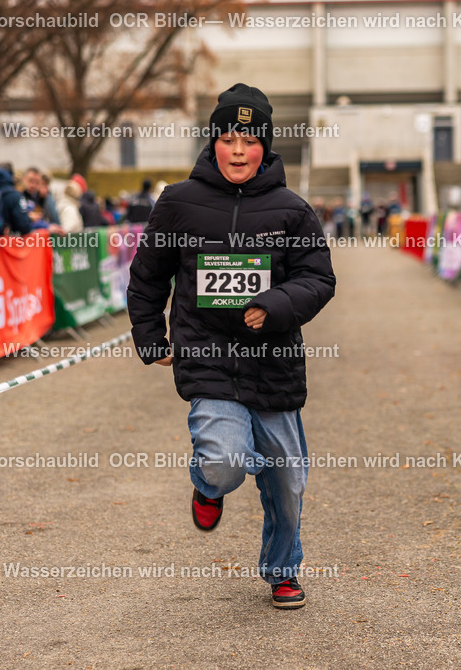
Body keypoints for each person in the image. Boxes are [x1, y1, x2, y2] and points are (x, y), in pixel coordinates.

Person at [127, 82, 336, 610]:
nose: (238, 150)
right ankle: (207, 485)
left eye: (249, 139)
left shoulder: (293, 209)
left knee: (288, 487)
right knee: (224, 463)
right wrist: (151, 337)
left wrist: (275, 304)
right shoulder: (178, 202)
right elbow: (148, 277)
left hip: (274, 366)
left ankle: (283, 570)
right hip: (209, 359)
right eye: (227, 138)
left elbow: (318, 278)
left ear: (265, 146)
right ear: (213, 142)